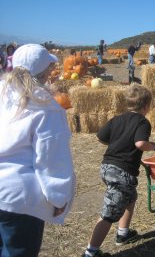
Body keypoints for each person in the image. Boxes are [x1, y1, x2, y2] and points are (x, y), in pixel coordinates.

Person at [0, 44, 75, 257]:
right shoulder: (45, 106)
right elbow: (51, 159)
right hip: (18, 198)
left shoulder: (3, 91)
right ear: (45, 72)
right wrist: (59, 197)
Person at [82, 84, 155, 257]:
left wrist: (116, 144)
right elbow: (140, 144)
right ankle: (90, 252)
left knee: (130, 197)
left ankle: (123, 234)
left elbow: (100, 137)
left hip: (107, 167)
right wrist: (151, 145)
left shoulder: (117, 119)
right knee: (109, 212)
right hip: (122, 173)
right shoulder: (143, 122)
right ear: (146, 106)